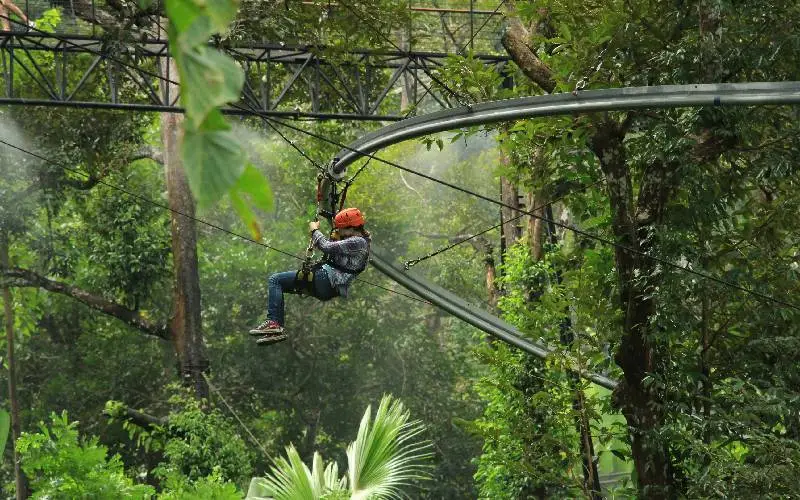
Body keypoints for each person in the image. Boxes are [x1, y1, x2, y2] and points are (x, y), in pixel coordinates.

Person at [249, 207, 371, 345]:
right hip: (329, 287)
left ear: (351, 227)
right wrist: (333, 237)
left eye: (341, 229)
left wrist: (314, 230)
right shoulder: (361, 241)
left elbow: (325, 246)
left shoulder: (358, 242)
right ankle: (276, 328)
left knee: (275, 280)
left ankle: (274, 323)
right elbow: (333, 251)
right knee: (280, 284)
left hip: (325, 280)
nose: (339, 231)